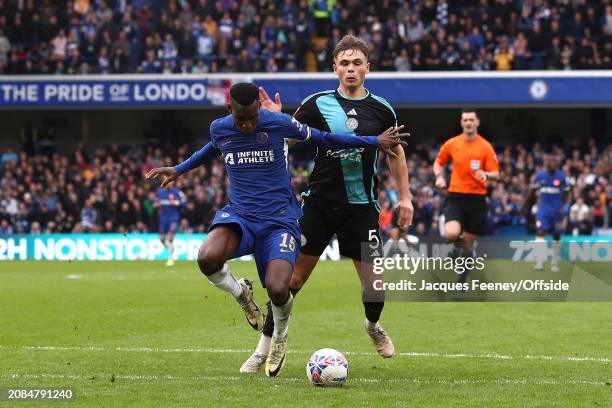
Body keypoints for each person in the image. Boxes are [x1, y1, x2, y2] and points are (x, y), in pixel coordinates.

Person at [145, 82, 409, 378]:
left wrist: (373, 140)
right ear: (229, 109)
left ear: (260, 108)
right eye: (240, 118)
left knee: (280, 287)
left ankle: (283, 338)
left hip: (281, 218)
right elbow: (213, 148)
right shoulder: (220, 128)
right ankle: (241, 294)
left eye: (253, 118)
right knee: (207, 258)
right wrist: (179, 169)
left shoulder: (280, 123)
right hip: (241, 214)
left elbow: (325, 137)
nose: (247, 125)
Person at [242, 35, 413, 373]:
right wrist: (276, 119)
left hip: (361, 207)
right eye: (344, 63)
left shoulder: (381, 109)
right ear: (334, 68)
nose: (351, 69)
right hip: (318, 205)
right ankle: (264, 348)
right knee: (290, 283)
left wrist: (405, 196)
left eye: (357, 63)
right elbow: (289, 134)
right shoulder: (317, 102)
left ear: (368, 67)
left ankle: (373, 327)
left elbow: (395, 151)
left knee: (375, 286)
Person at [433, 109, 499, 282]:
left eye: (471, 120)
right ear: (461, 123)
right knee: (451, 234)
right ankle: (456, 249)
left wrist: (486, 175)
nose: (468, 123)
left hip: (477, 199)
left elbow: (496, 174)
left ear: (477, 122)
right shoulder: (452, 143)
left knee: (468, 245)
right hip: (456, 196)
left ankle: (461, 281)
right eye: (465, 120)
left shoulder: (485, 146)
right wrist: (440, 177)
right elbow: (438, 163)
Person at [522, 154, 568, 271]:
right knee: (540, 232)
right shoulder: (540, 175)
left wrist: (564, 207)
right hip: (543, 211)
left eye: (554, 162)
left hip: (557, 212)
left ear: (557, 165)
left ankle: (554, 262)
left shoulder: (561, 177)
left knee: (556, 236)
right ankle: (539, 261)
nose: (552, 164)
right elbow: (532, 192)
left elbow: (567, 193)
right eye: (550, 162)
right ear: (546, 164)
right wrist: (524, 206)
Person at [156, 184, 186, 266]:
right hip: (163, 218)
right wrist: (157, 205)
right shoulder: (160, 192)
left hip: (173, 217)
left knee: (171, 235)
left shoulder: (177, 192)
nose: (169, 183)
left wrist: (177, 203)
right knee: (162, 239)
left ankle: (170, 258)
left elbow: (184, 202)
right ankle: (171, 248)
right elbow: (156, 203)